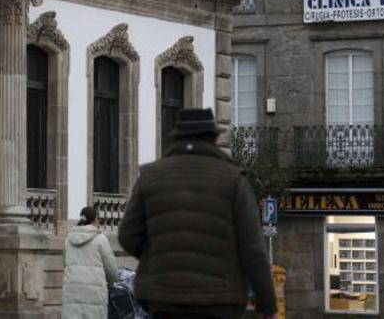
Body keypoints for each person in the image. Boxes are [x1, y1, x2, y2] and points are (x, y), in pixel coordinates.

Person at [117, 108, 278, 319]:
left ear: (176, 137)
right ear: (213, 137)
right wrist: (267, 304)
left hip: (164, 297)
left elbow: (127, 235)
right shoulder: (233, 179)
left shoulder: (150, 176)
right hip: (219, 299)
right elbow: (252, 249)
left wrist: (157, 258)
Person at [60, 206, 118, 319]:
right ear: (95, 219)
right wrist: (111, 284)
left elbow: (65, 265)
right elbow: (111, 270)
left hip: (72, 293)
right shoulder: (101, 239)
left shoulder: (68, 240)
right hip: (94, 295)